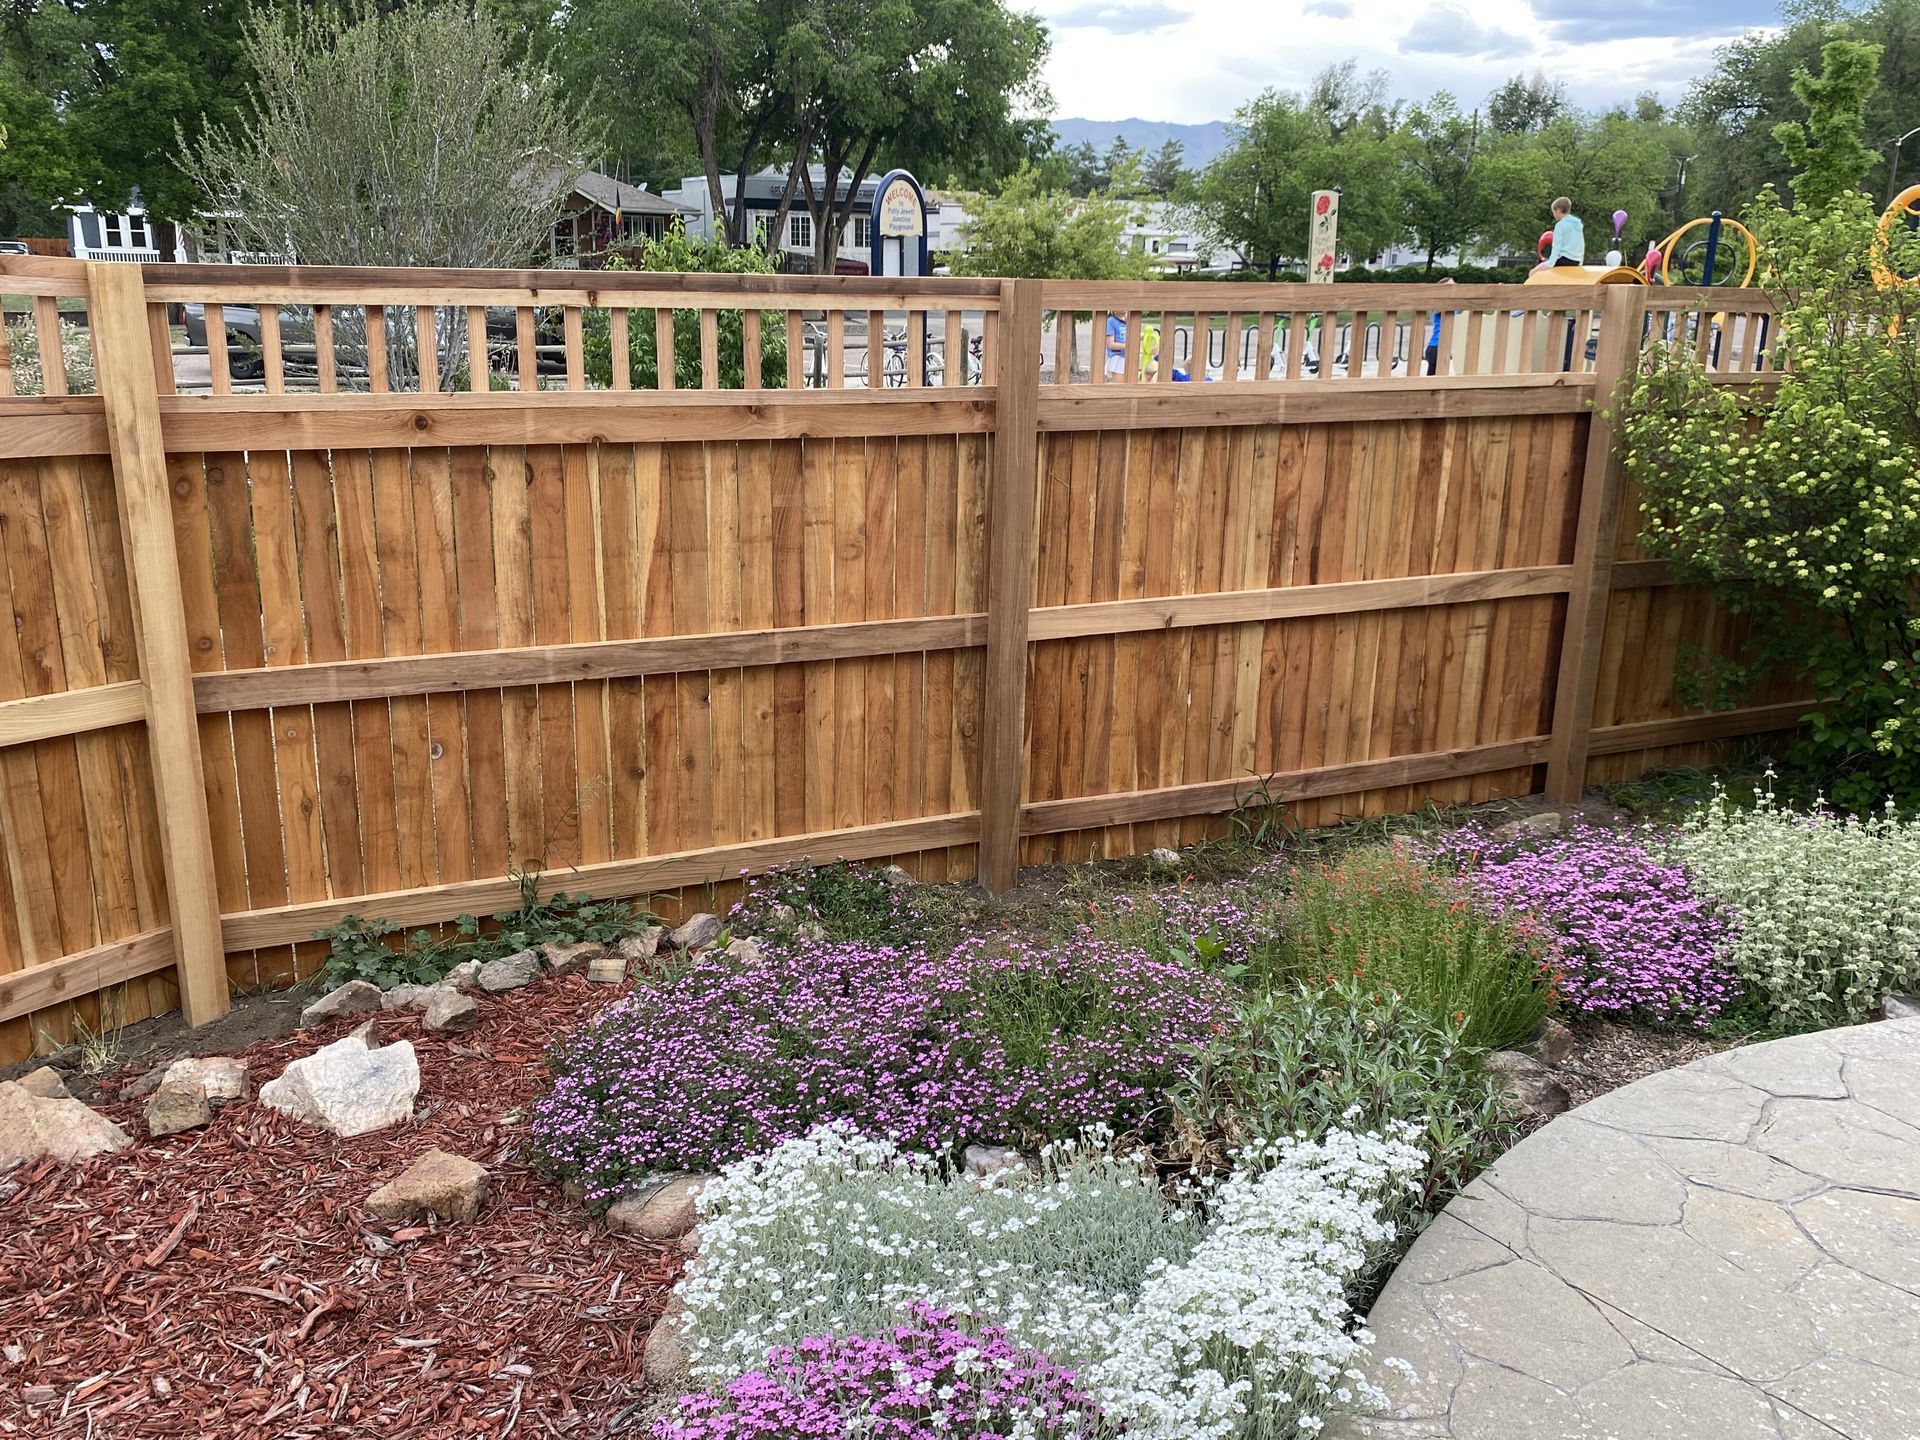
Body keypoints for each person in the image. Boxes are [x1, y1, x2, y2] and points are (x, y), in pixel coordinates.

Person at [1532, 198, 1584, 273]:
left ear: (1558, 210)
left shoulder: (1560, 225)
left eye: (1553, 212)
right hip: (1576, 261)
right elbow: (1581, 244)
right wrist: (1580, 262)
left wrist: (1550, 264)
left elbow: (1556, 246)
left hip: (1564, 260)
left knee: (1532, 272)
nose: (1553, 214)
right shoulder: (1577, 225)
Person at [1422, 277, 1456, 375]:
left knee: (1440, 379)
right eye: (1449, 287)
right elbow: (1438, 309)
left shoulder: (1455, 304)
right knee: (1432, 381)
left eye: (1455, 286)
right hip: (1436, 347)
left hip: (1443, 347)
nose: (1453, 289)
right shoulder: (1438, 305)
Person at [1104, 311, 1127, 379]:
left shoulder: (1128, 320)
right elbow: (1110, 344)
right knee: (1120, 385)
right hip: (1117, 357)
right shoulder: (1111, 321)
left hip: (1128, 356)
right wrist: (1128, 346)